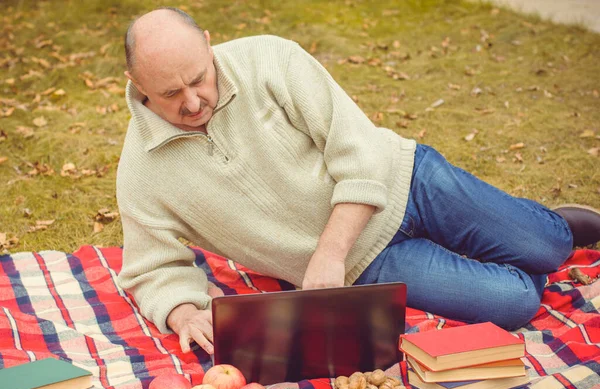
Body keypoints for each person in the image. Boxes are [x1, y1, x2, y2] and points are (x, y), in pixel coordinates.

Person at [116, 7, 600, 356]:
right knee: (515, 301)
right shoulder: (141, 170)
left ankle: (539, 228)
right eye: (171, 93)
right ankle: (497, 239)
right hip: (368, 262)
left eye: (199, 79)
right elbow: (151, 264)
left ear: (207, 41)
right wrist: (182, 311)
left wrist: (328, 252)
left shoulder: (270, 59)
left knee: (550, 248)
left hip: (406, 180)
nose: (194, 101)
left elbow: (358, 148)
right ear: (139, 86)